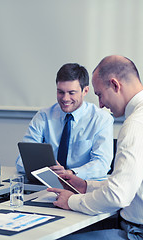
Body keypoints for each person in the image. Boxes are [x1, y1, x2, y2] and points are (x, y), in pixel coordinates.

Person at [48, 55, 143, 239]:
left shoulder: (135, 125)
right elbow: (130, 183)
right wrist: (86, 186)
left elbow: (118, 195)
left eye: (99, 94)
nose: (100, 104)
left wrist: (72, 201)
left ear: (115, 85)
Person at [16, 63, 114, 180]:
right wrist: (48, 171)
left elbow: (102, 165)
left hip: (83, 187)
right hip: (47, 184)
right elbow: (22, 161)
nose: (65, 99)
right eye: (60, 92)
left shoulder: (101, 119)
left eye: (71, 93)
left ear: (85, 91)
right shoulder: (43, 116)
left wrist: (70, 173)